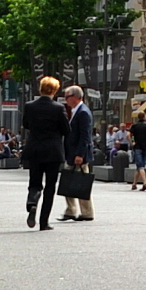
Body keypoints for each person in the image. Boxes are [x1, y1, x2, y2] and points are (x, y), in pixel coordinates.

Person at [19, 76, 69, 231]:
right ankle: (44, 221)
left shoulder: (29, 106)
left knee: (34, 182)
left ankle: (32, 203)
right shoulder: (58, 108)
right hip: (53, 151)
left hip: (34, 149)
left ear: (40, 89)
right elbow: (66, 130)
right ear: (54, 90)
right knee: (50, 186)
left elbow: (26, 124)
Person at [60, 86, 95, 222]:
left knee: (80, 183)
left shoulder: (83, 112)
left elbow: (85, 136)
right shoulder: (77, 111)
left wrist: (80, 154)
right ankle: (72, 210)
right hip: (72, 153)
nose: (66, 100)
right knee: (69, 181)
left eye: (67, 97)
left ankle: (86, 211)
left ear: (75, 97)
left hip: (78, 155)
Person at [128, 113, 146, 190]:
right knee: (140, 166)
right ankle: (134, 184)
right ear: (145, 117)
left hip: (137, 147)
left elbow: (129, 135)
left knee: (140, 166)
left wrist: (132, 142)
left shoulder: (134, 126)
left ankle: (145, 183)